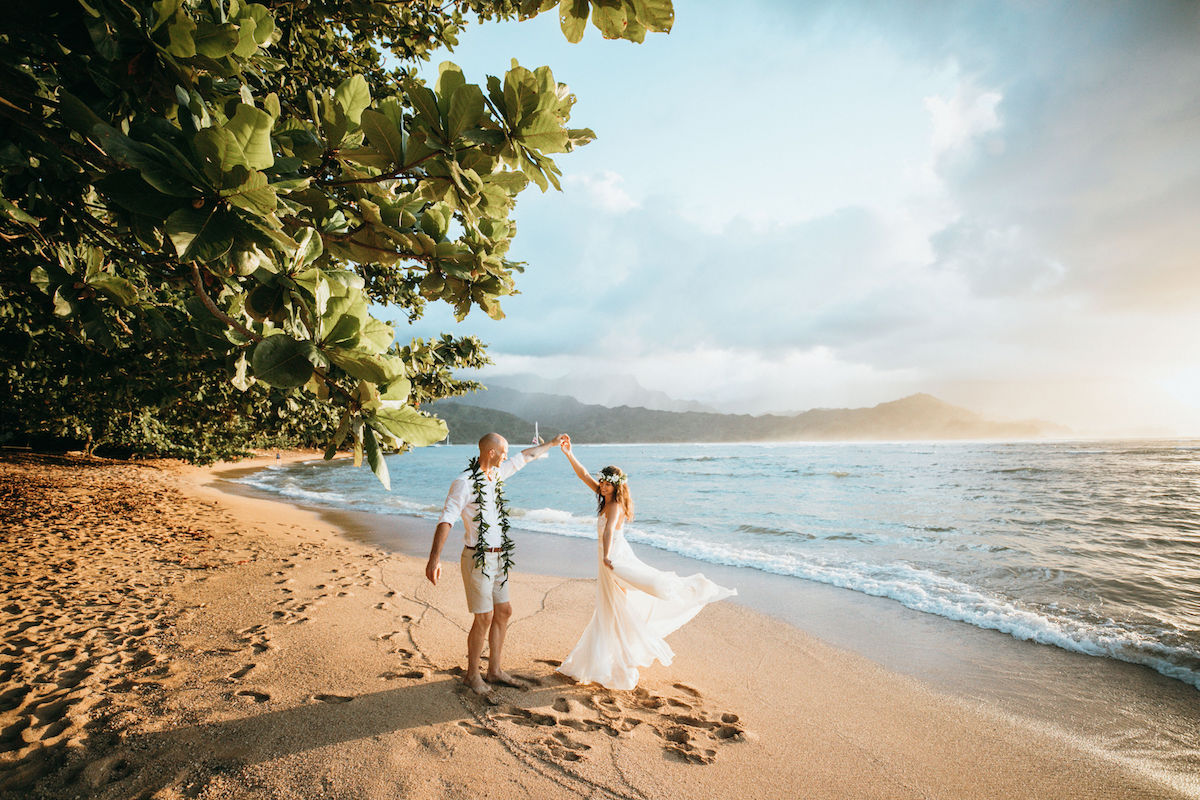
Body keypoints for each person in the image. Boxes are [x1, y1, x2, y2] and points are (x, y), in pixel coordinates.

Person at [556, 436, 736, 690]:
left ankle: (619, 663)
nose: (603, 487)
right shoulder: (604, 497)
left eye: (608, 484)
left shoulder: (615, 505)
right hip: (606, 559)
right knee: (608, 609)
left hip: (614, 558)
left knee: (614, 608)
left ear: (617, 487)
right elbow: (583, 475)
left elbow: (608, 532)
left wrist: (607, 556)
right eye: (603, 483)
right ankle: (600, 660)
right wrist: (569, 454)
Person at [426, 431, 566, 695]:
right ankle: (471, 676)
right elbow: (447, 519)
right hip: (477, 557)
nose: (505, 456)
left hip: (500, 557)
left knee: (504, 612)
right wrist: (434, 559)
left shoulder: (496, 476)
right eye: (502, 451)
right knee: (484, 617)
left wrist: (552, 444)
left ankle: (495, 670)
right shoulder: (464, 482)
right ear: (490, 452)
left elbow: (523, 457)